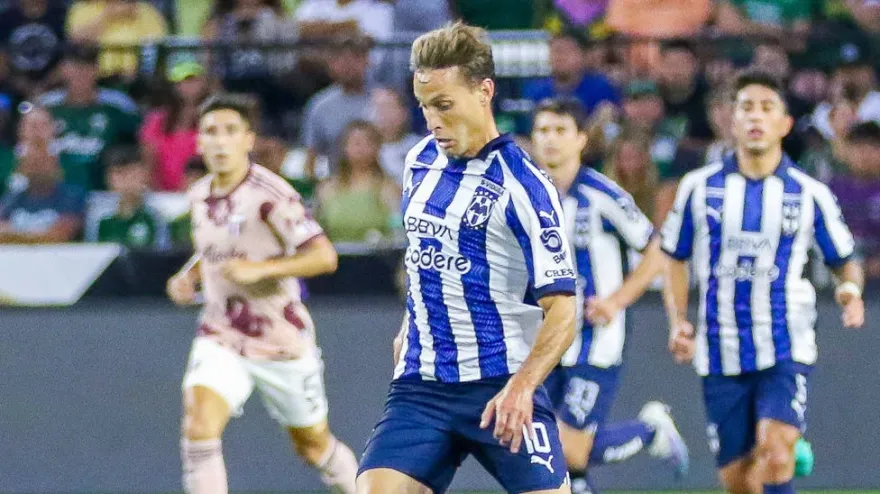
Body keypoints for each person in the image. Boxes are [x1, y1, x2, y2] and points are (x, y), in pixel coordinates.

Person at [357, 22, 578, 494]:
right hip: (422, 387)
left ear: (484, 92)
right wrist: (408, 324)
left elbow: (563, 310)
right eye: (423, 106)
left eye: (444, 105)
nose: (432, 121)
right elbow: (427, 257)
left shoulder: (525, 187)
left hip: (501, 381)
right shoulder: (419, 162)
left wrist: (522, 386)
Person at [661, 70, 866, 494]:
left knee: (774, 451)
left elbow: (844, 260)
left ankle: (784, 444)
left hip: (786, 344)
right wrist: (678, 320)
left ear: (785, 124)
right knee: (738, 480)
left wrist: (851, 291)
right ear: (731, 121)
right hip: (720, 351)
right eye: (746, 108)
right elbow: (675, 259)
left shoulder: (809, 193)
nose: (756, 116)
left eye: (767, 107)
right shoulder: (698, 188)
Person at [166, 94, 358, 494]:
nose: (220, 141)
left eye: (230, 131)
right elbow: (214, 248)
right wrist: (189, 276)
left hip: (280, 339)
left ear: (248, 140)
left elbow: (324, 256)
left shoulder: (271, 194)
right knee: (198, 425)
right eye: (211, 132)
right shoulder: (199, 195)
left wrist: (261, 270)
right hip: (221, 333)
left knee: (313, 445)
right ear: (198, 142)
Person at [530, 97, 689, 494]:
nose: (551, 140)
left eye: (561, 130)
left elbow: (657, 250)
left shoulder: (602, 194)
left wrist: (616, 301)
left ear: (581, 139)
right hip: (544, 339)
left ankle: (649, 432)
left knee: (567, 449)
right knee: (544, 451)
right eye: (543, 130)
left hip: (595, 340)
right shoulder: (526, 197)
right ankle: (635, 443)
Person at [0, 106, 85, 244]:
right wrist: (37, 235)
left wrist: (15, 234)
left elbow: (60, 234)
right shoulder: (13, 198)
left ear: (56, 165)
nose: (37, 168)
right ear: (21, 168)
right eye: (32, 163)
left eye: (42, 162)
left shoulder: (71, 195)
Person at [314, 120, 400, 243]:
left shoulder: (389, 188)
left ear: (378, 147)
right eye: (356, 143)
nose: (361, 149)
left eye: (368, 143)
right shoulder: (327, 188)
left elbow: (397, 230)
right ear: (344, 147)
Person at [96, 145, 167, 250]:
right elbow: (93, 252)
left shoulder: (156, 215)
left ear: (144, 176)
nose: (127, 181)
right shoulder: (100, 218)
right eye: (120, 174)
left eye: (133, 174)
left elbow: (162, 253)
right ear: (109, 179)